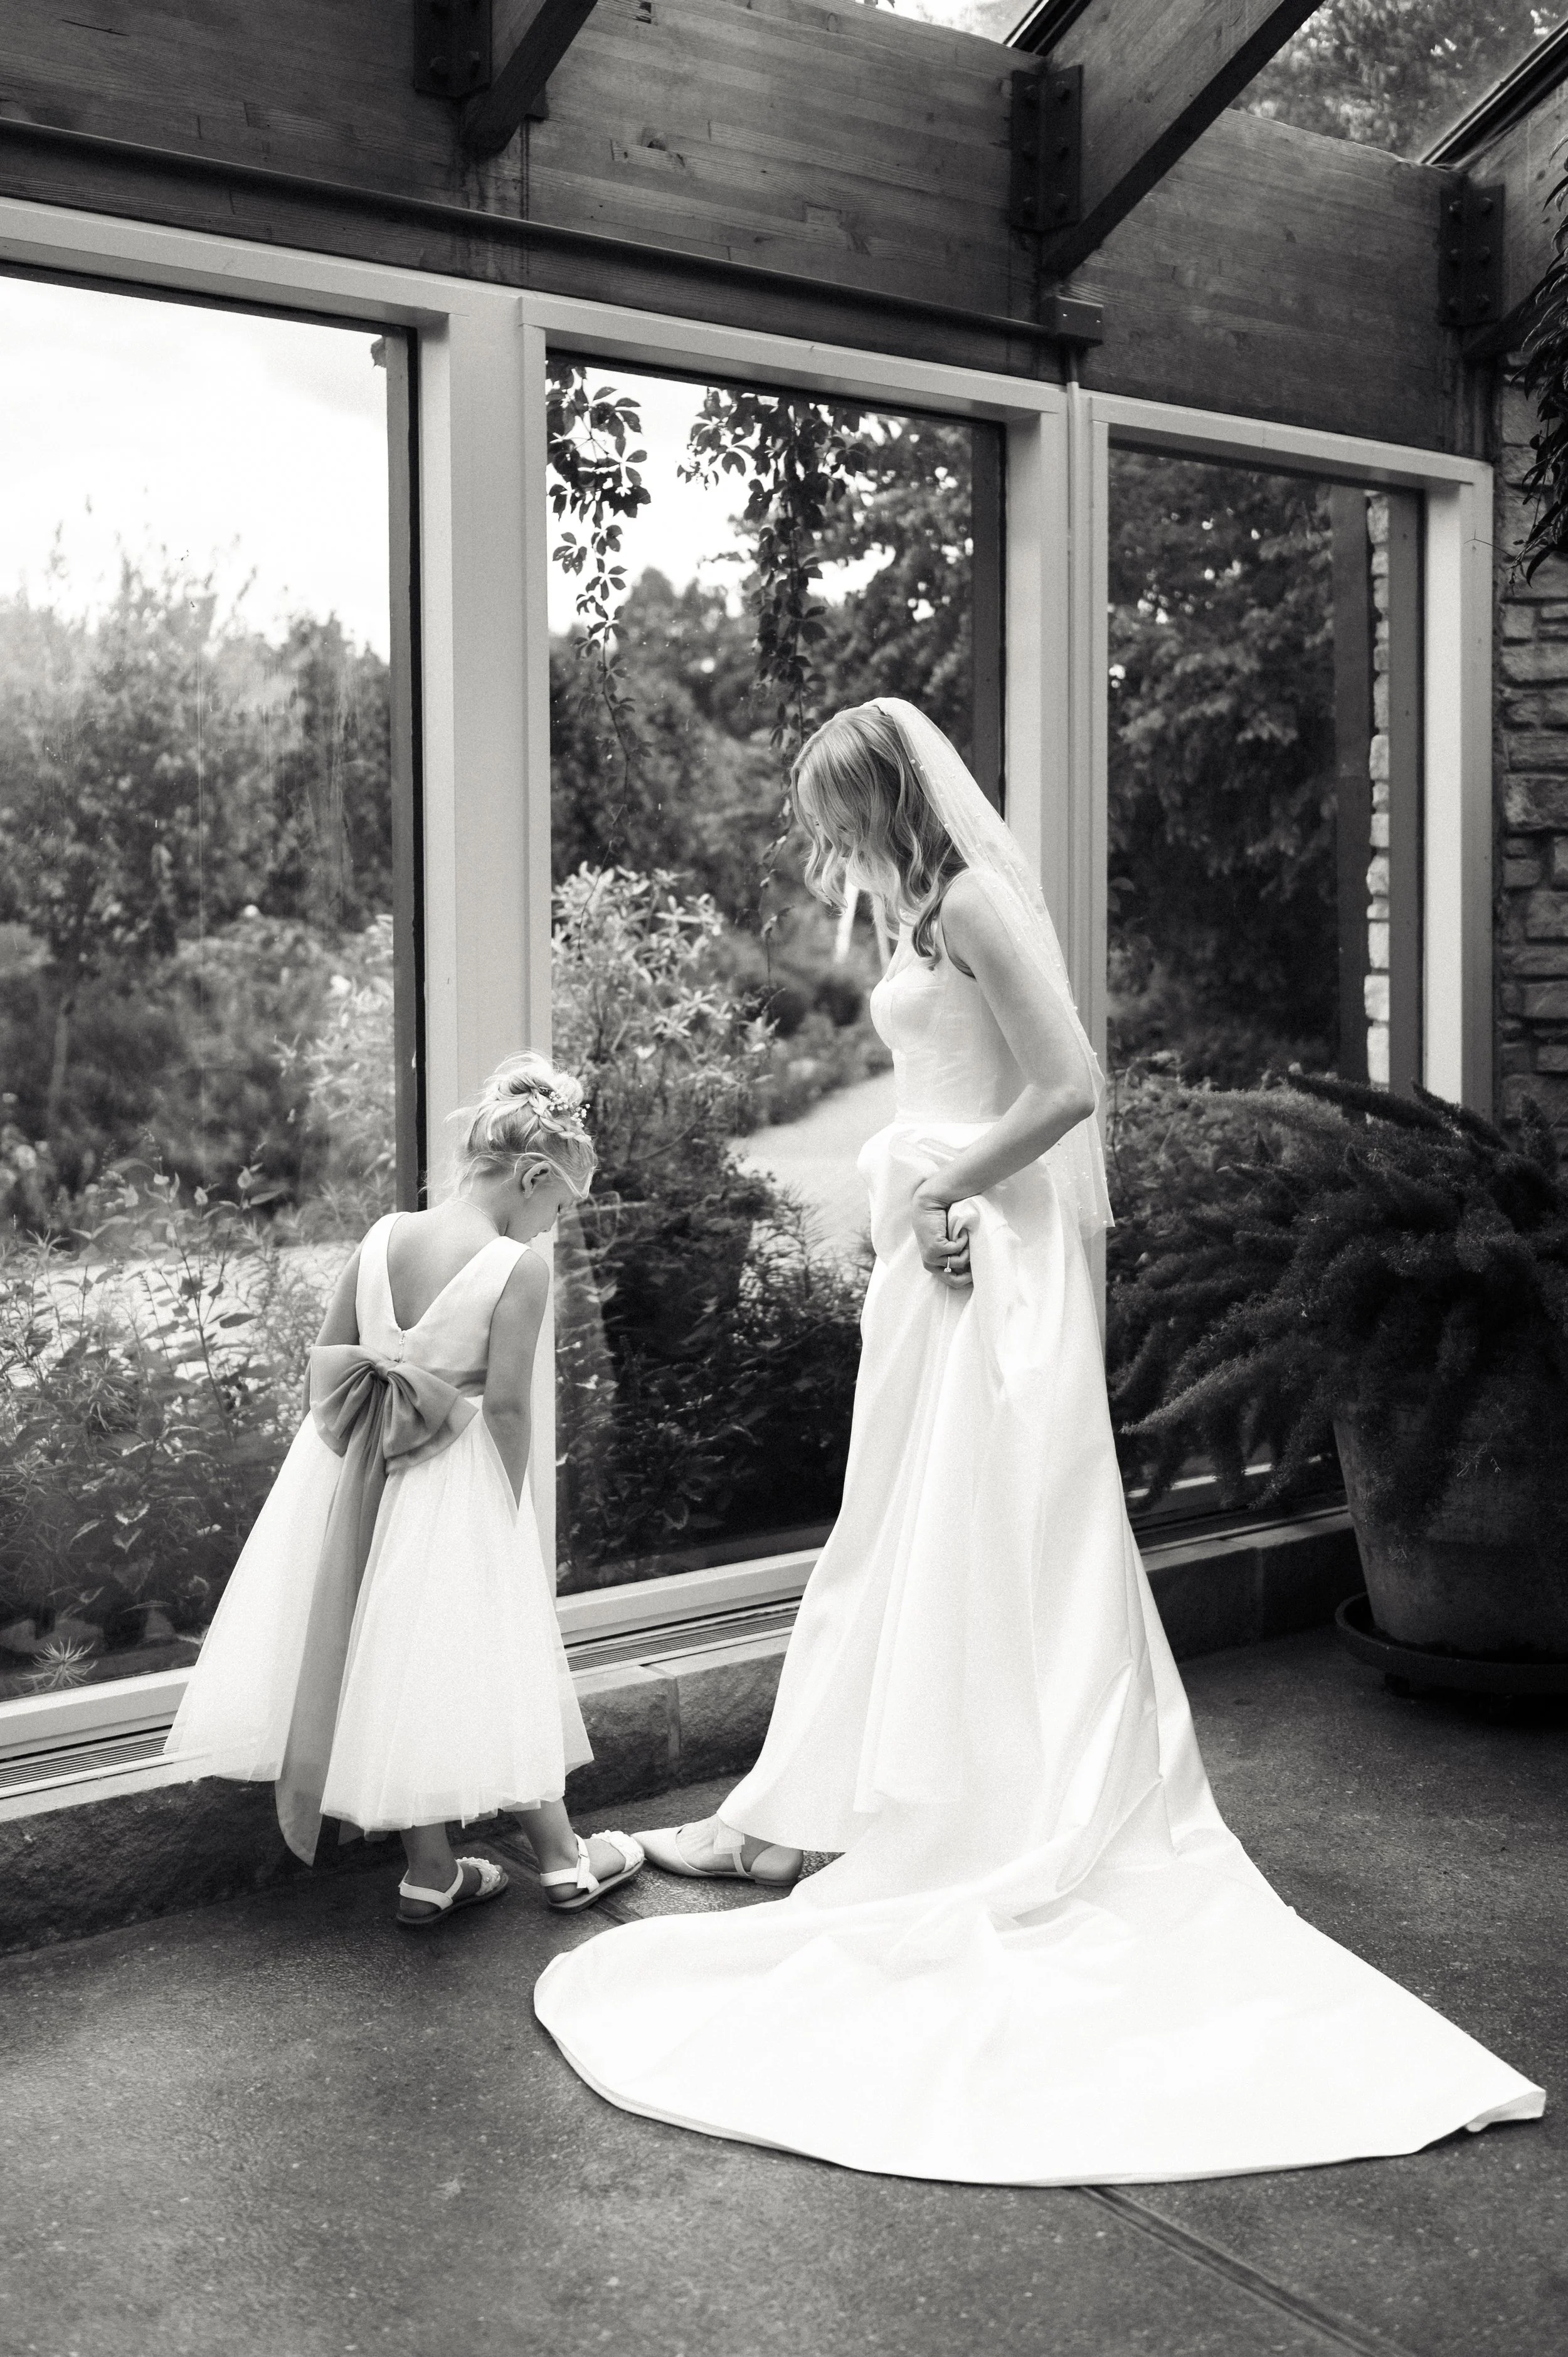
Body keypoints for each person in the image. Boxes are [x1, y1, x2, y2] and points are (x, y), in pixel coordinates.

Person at [534, 697, 1543, 2183]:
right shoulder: (910, 914)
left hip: (990, 1249)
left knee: (993, 1532)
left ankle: (990, 1804)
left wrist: (948, 1188)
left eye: (831, 810)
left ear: (887, 797)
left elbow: (1067, 1085)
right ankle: (813, 1806)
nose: (821, 841)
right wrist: (924, 1190)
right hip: (942, 1245)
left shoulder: (976, 900)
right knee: (895, 1529)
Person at [166, 1053, 645, 1928]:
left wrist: (352, 1463)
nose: (552, 1229)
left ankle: (429, 1869)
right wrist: (503, 1514)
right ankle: (564, 1857)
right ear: (534, 1175)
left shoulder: (383, 1235)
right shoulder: (516, 1267)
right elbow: (503, 1406)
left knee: (394, 1662)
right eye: (559, 1207)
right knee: (493, 1656)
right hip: (455, 1477)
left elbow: (328, 1359)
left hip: (361, 1468)